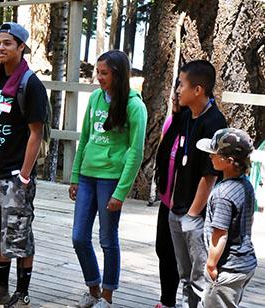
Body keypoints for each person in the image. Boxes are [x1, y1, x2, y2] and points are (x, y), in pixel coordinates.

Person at [0, 22, 48, 308]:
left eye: (8, 43)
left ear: (21, 47)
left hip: (16, 174)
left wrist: (24, 176)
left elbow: (36, 133)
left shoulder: (31, 85)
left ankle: (22, 292)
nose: (1, 47)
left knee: (19, 232)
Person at [69, 50, 147, 308]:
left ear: (118, 74)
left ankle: (107, 296)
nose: (98, 77)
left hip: (111, 180)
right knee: (79, 237)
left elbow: (136, 152)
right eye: (97, 72)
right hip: (88, 177)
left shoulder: (134, 106)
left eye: (104, 73)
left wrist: (120, 192)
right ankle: (92, 289)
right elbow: (85, 138)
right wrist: (75, 175)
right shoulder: (94, 98)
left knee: (107, 238)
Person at [168, 60, 227, 308]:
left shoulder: (214, 123)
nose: (177, 90)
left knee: (199, 277)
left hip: (198, 215)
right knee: (184, 274)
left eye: (181, 85)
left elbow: (210, 176)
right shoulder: (185, 116)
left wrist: (192, 214)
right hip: (177, 207)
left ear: (198, 90)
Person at [197, 128, 257, 308]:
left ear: (229, 161)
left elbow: (220, 233)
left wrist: (211, 264)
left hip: (227, 268)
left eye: (214, 154)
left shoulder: (223, 194)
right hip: (245, 263)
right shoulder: (246, 185)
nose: (210, 157)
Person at [153, 83, 185, 308]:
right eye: (174, 91)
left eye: (179, 91)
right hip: (166, 199)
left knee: (180, 256)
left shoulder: (196, 125)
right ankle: (166, 301)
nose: (175, 96)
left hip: (185, 205)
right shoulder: (171, 122)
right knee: (163, 249)